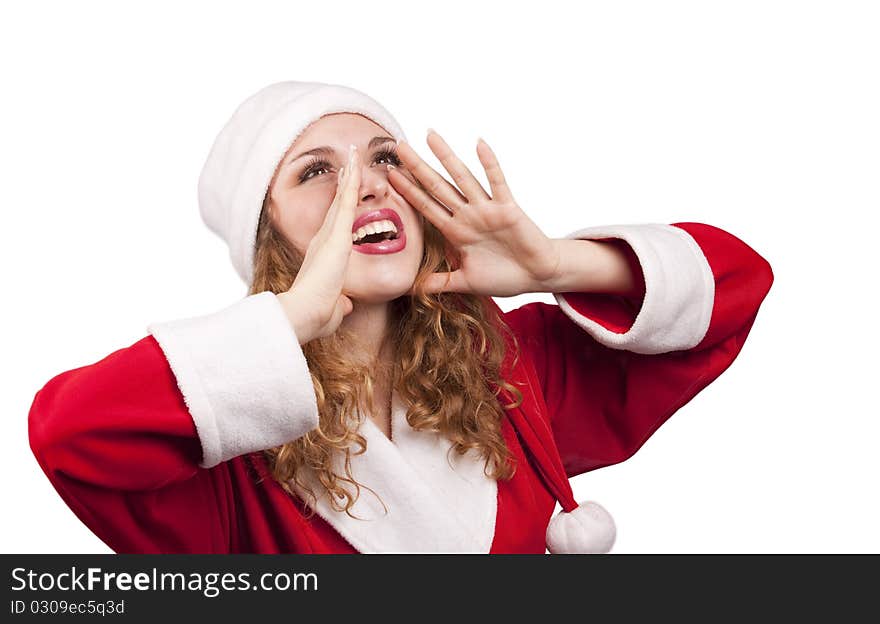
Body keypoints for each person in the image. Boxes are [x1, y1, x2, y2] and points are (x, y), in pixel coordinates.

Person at [27, 80, 774, 554]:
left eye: (385, 158)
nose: (366, 185)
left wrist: (555, 263)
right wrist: (291, 316)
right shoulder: (227, 447)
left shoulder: (517, 373)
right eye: (317, 171)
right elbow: (67, 435)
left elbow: (736, 285)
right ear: (269, 237)